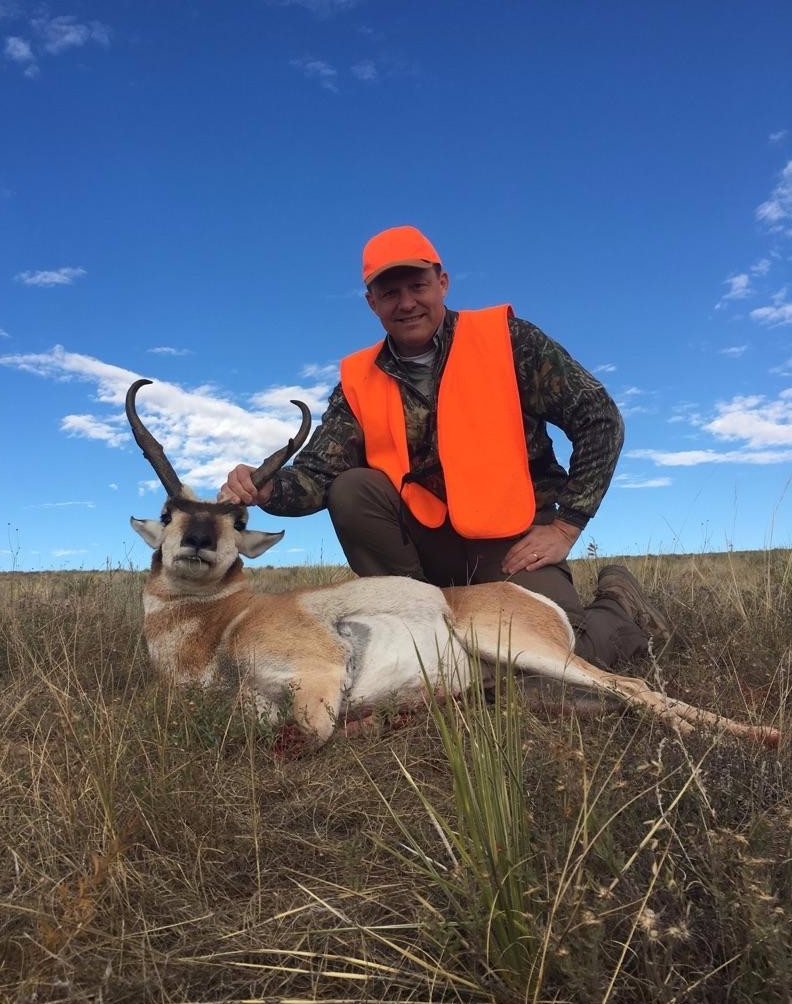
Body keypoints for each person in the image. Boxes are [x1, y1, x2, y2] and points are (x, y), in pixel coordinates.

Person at [223, 225, 669, 670]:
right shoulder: (358, 379)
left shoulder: (510, 341)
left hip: (513, 540)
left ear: (443, 282)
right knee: (352, 488)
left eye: (417, 285)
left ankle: (616, 604)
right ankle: (420, 626)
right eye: (390, 292)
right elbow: (318, 477)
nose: (407, 303)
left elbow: (600, 419)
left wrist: (566, 526)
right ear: (371, 302)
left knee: (558, 655)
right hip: (423, 548)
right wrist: (267, 490)